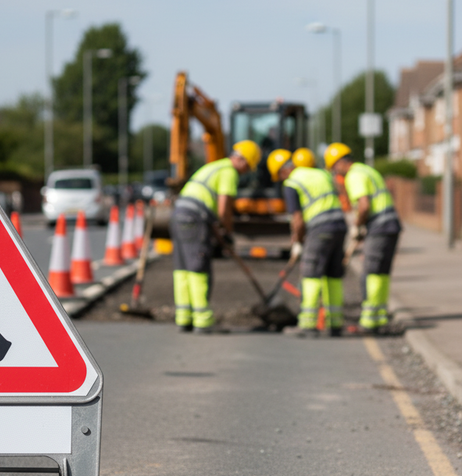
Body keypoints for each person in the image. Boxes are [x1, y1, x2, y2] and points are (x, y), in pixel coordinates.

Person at [171, 140, 261, 333]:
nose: (246, 171)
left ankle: (184, 317)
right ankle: (202, 320)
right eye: (248, 166)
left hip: (180, 214)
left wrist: (216, 228)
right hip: (195, 217)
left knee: (183, 268)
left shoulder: (215, 166)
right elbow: (224, 207)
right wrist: (227, 231)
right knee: (198, 266)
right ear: (243, 160)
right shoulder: (229, 172)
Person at [268, 149, 347, 337]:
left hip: (319, 229)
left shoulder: (292, 183)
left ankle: (307, 324)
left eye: (279, 175)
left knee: (311, 274)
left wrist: (298, 241)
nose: (280, 179)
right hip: (340, 226)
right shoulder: (321, 173)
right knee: (333, 275)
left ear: (283, 170)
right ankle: (335, 323)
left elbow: (298, 219)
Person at [324, 142, 402, 333]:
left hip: (379, 226)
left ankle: (368, 322)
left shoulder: (354, 176)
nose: (336, 173)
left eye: (334, 168)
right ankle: (379, 318)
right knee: (382, 272)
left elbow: (364, 205)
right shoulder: (366, 170)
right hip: (390, 225)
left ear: (340, 163)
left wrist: (357, 226)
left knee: (371, 271)